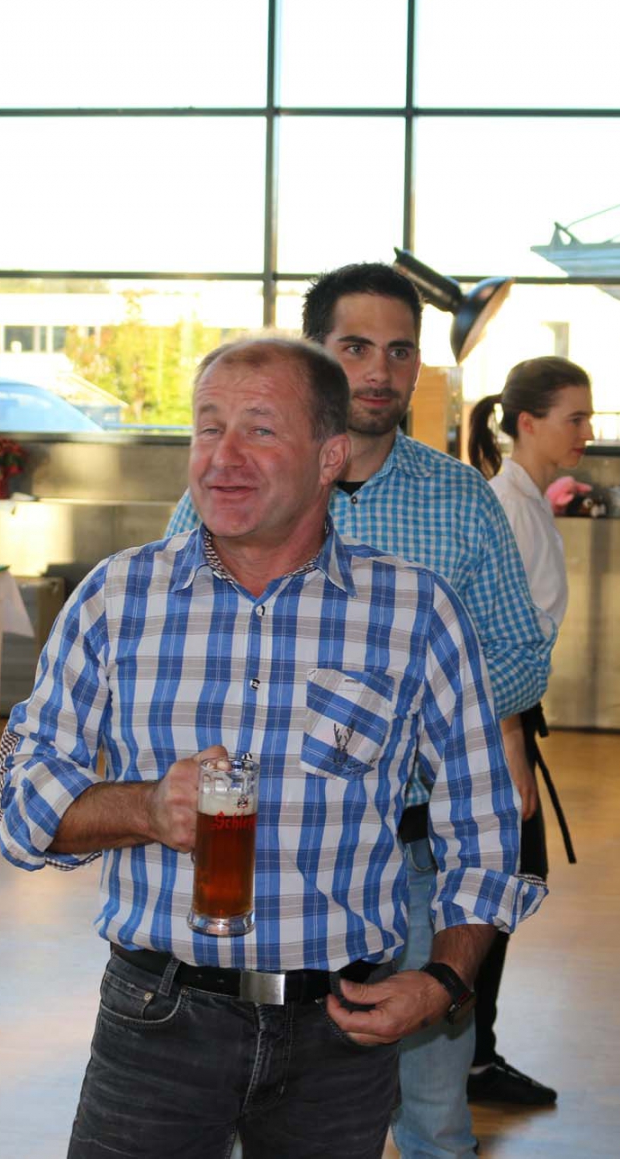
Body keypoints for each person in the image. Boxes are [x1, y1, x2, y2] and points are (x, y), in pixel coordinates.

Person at [0, 337, 543, 1159]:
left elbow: (484, 822)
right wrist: (146, 808)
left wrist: (443, 979)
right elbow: (21, 800)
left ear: (329, 458)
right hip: (157, 1019)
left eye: (259, 429)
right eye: (207, 427)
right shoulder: (116, 597)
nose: (223, 457)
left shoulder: (412, 611)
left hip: (339, 1034)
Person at [166, 261, 552, 1159]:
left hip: (415, 853)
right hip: (263, 851)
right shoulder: (229, 488)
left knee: (434, 1114)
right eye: (355, 347)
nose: (380, 371)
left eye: (400, 351)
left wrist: (415, 711)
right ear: (314, 355)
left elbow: (522, 656)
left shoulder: (461, 501)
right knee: (255, 1097)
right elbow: (178, 637)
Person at [463, 356, 594, 1106]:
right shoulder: (506, 507)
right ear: (527, 423)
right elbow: (488, 640)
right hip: (493, 725)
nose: (587, 432)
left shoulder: (527, 502)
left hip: (508, 722)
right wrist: (510, 741)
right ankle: (467, 1057)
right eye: (574, 418)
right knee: (493, 889)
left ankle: (474, 1052)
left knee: (505, 889)